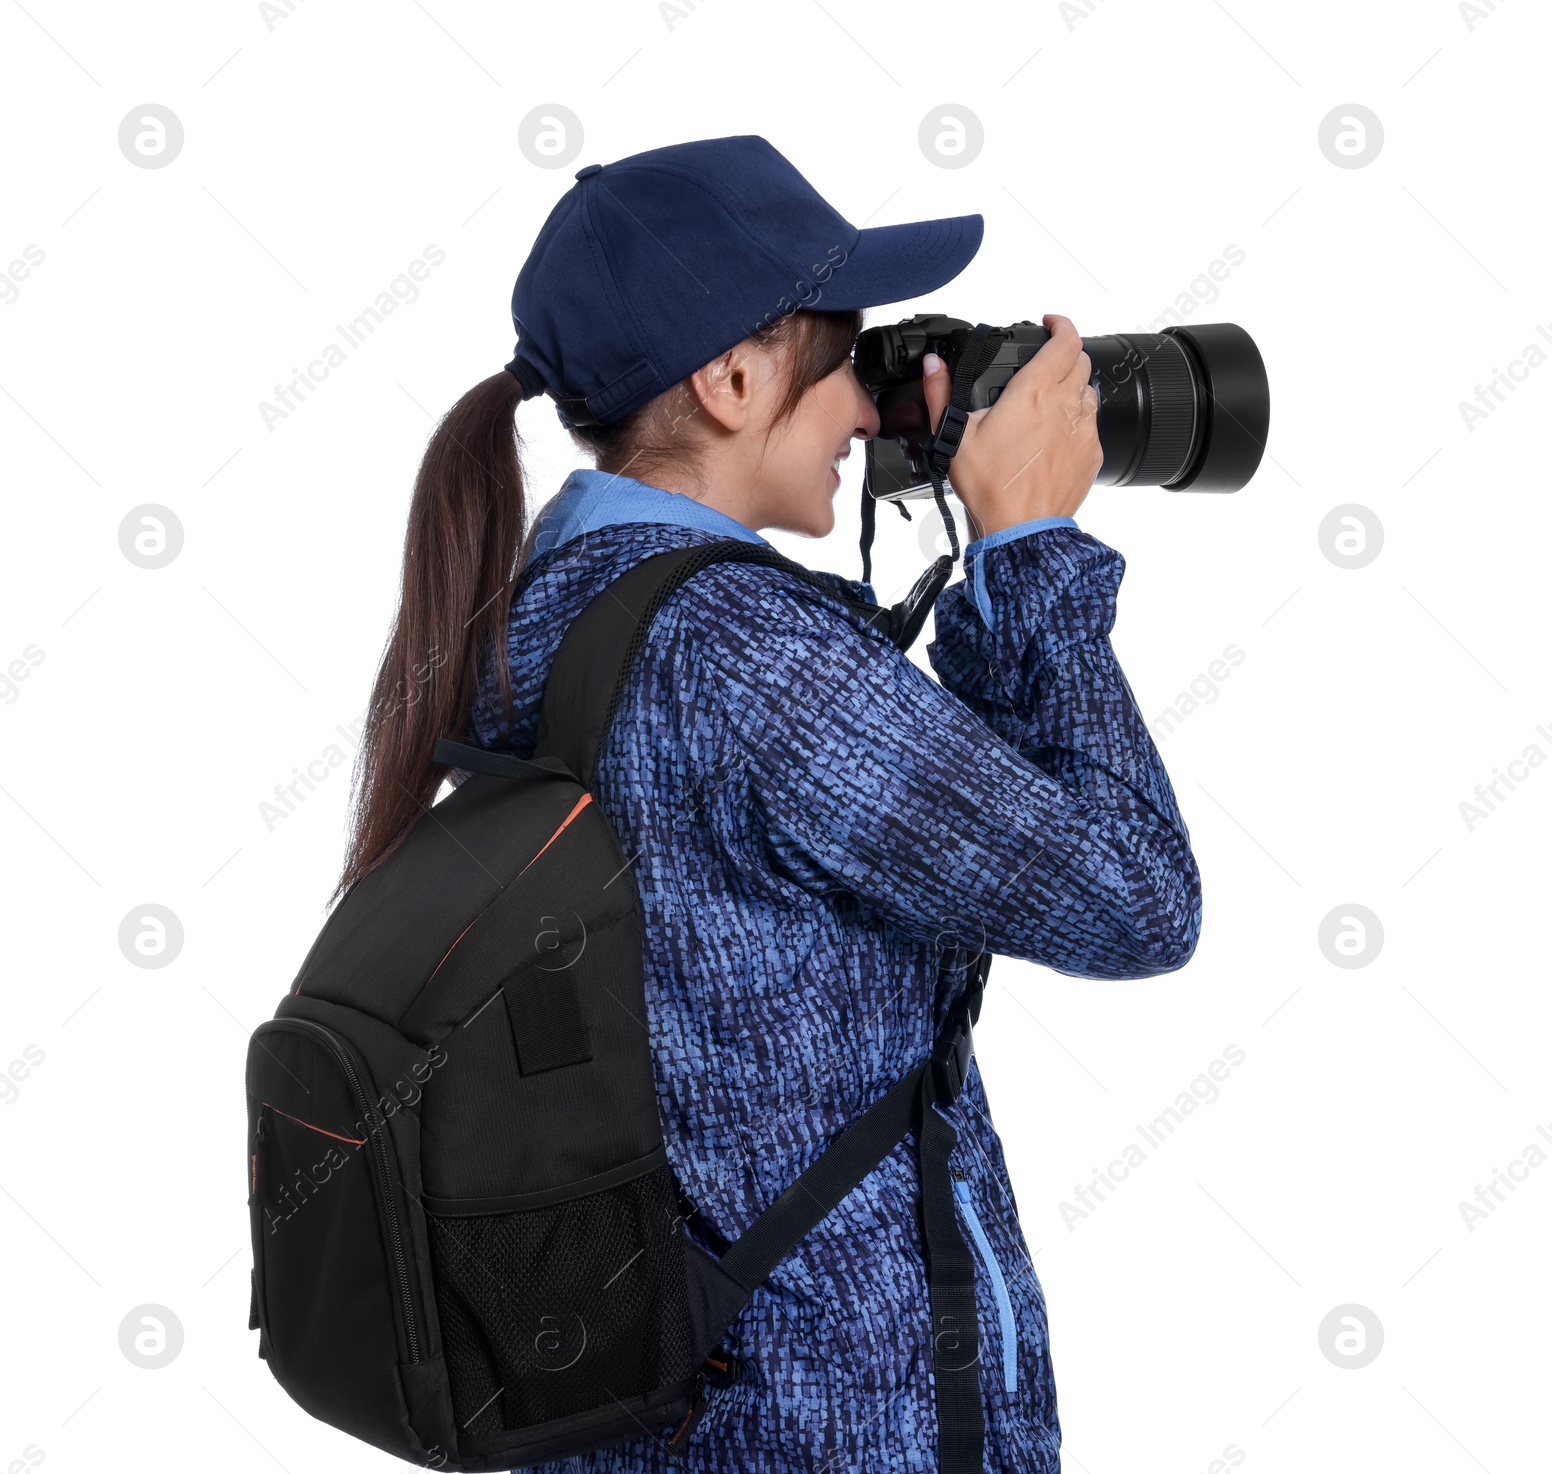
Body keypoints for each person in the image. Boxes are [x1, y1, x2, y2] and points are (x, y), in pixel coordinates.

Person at [340, 135, 1201, 1473]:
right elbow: (1134, 896)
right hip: (821, 1428)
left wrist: (950, 564)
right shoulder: (744, 656)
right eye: (841, 354)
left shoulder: (539, 615)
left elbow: (945, 833)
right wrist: (1029, 549)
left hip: (642, 1418)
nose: (870, 406)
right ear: (732, 377)